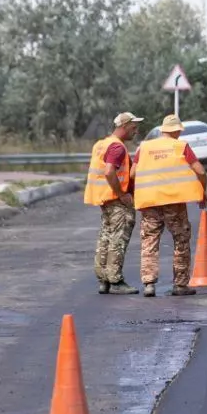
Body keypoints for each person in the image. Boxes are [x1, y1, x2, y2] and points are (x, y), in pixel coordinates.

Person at [132, 114, 207, 297]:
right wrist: (201, 191)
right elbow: (200, 170)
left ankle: (149, 284)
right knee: (181, 240)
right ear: (177, 131)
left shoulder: (144, 147)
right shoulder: (181, 146)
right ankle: (180, 285)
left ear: (163, 130)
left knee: (149, 241)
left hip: (149, 202)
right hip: (174, 202)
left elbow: (133, 174)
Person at [84, 111, 143, 295]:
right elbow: (109, 172)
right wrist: (122, 194)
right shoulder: (117, 147)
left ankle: (104, 280)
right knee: (118, 240)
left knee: (106, 239)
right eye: (133, 127)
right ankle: (116, 281)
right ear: (124, 126)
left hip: (105, 200)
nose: (136, 130)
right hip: (117, 201)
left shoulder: (102, 144)